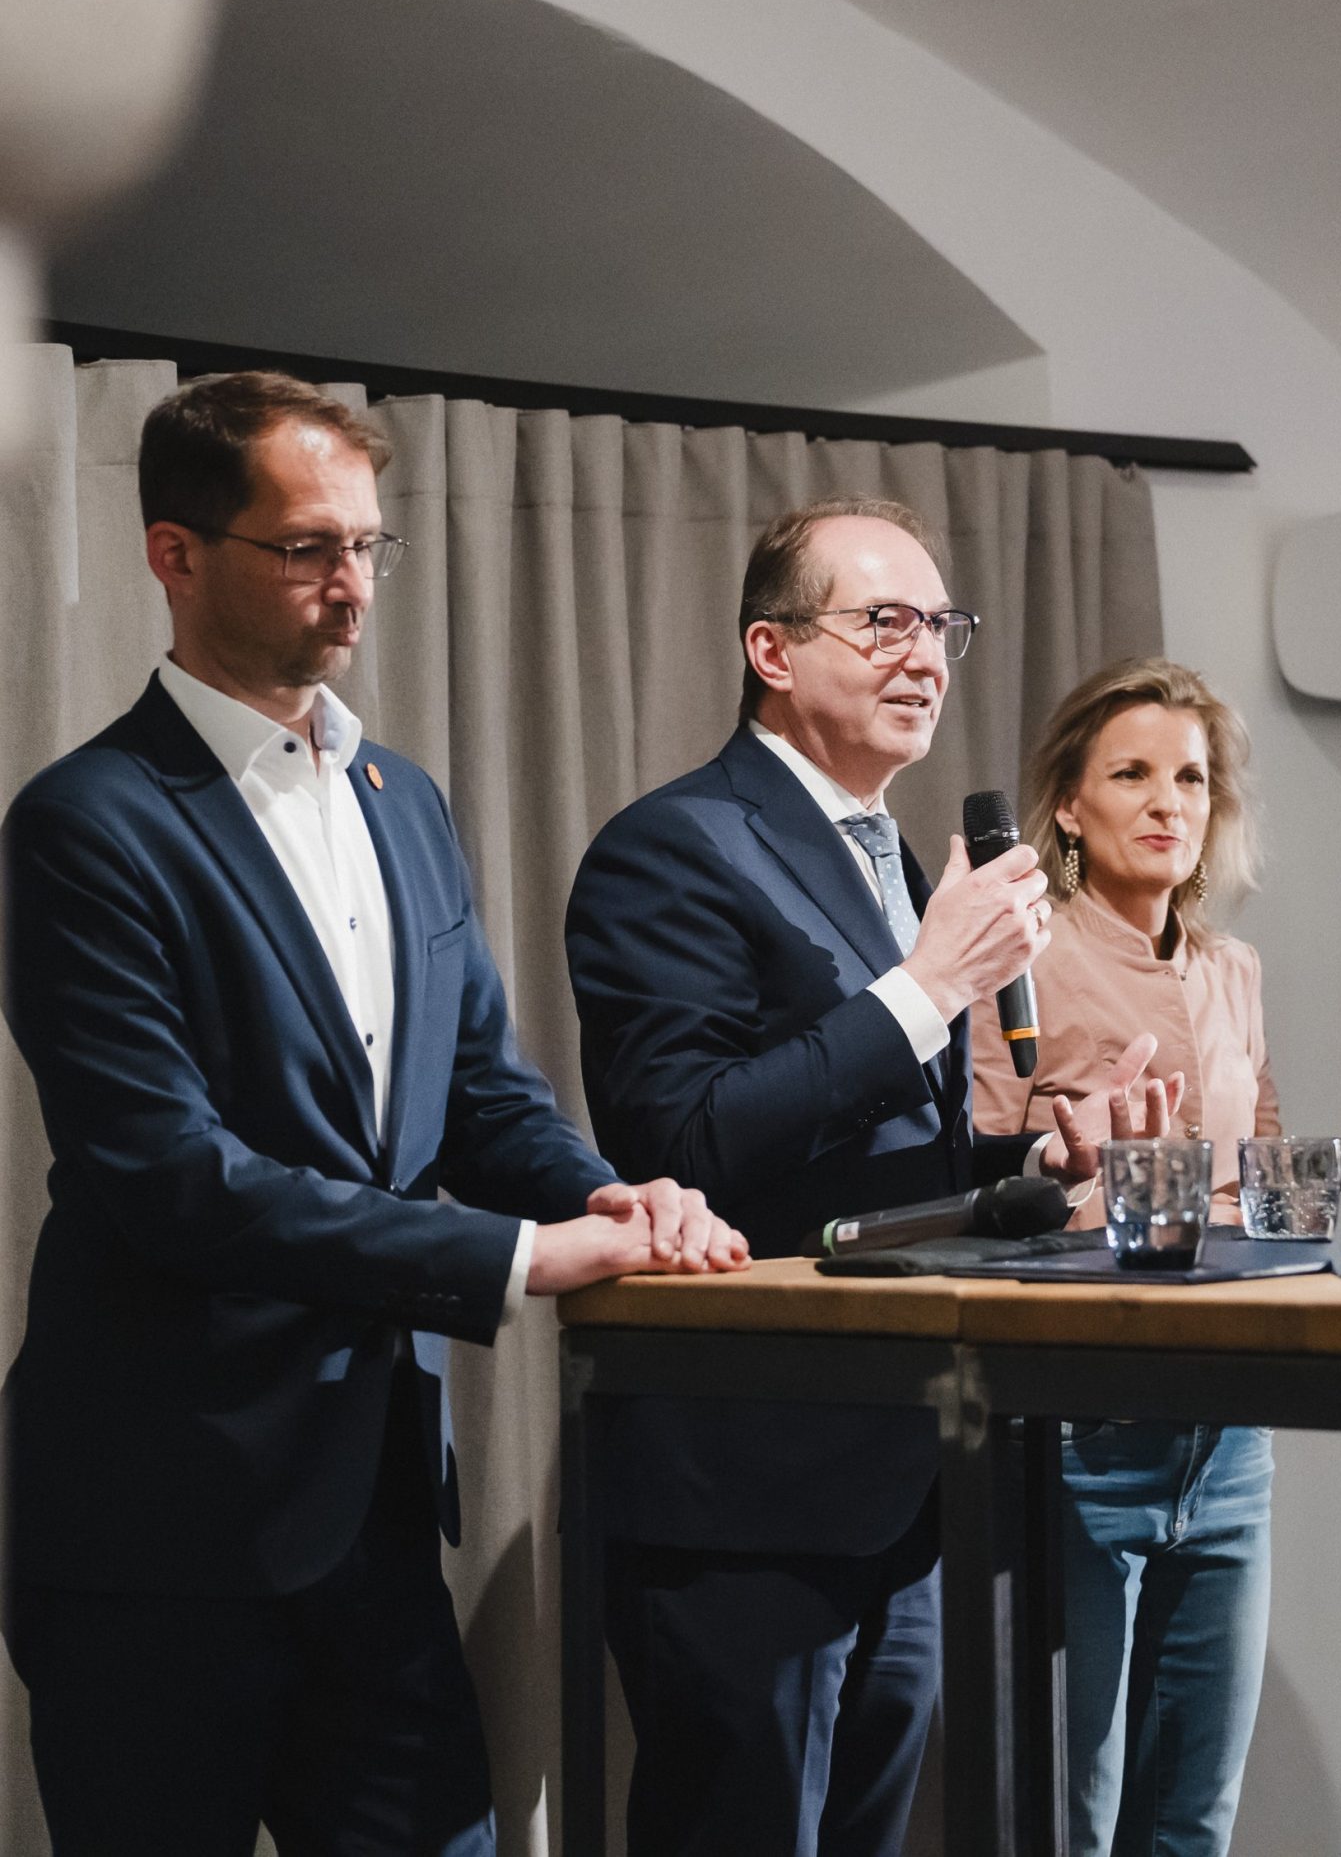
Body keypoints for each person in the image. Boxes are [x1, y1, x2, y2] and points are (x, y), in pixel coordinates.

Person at [0, 370, 750, 1857]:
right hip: (156, 1527)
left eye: (367, 546)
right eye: (304, 547)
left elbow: (479, 1088)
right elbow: (172, 1176)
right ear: (175, 554)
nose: (349, 585)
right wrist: (511, 1259)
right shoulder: (84, 823)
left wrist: (596, 1193)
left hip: (379, 1506)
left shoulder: (406, 798)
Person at [564, 497, 1180, 1857]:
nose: (926, 657)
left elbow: (889, 1162)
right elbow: (687, 1139)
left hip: (901, 1467)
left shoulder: (890, 856)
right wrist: (926, 984)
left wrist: (1041, 1151)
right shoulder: (672, 847)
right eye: (883, 621)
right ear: (773, 651)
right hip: (747, 1469)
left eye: (941, 625)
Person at [973, 658, 1278, 1857]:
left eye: (1192, 777)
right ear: (1067, 804)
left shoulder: (1232, 970)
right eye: (1133, 773)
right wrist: (1073, 1169)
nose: (1169, 800)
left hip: (1230, 1429)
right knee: (1072, 1817)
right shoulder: (1023, 957)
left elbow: (1263, 1181)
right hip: (1080, 1429)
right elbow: (973, 1175)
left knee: (1192, 1818)